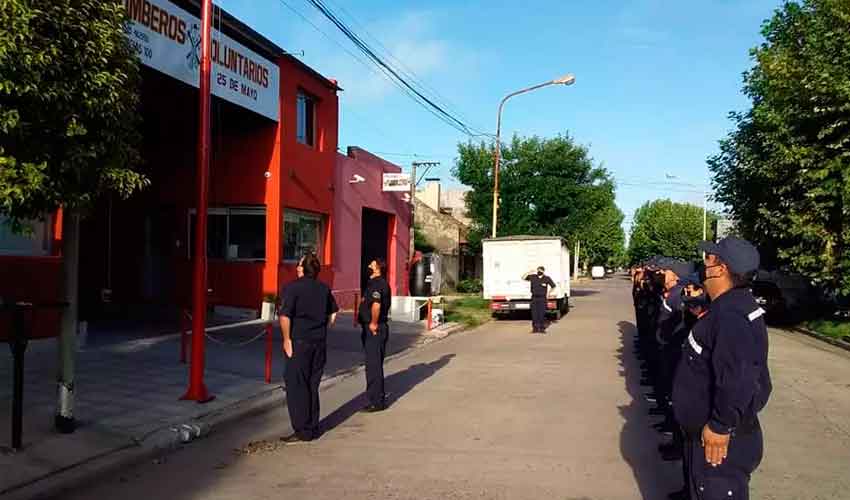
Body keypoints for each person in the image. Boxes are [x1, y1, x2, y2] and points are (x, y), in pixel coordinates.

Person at [673, 237, 772, 500]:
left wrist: (720, 425)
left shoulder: (731, 315)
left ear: (721, 268)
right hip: (711, 436)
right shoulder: (727, 307)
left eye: (709, 258)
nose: (703, 264)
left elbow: (739, 378)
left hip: (719, 443)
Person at [279, 252, 339, 444]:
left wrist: (287, 339)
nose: (297, 267)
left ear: (303, 268)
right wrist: (322, 328)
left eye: (299, 264)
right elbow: (333, 314)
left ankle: (302, 430)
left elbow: (285, 316)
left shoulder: (292, 288)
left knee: (297, 386)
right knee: (312, 385)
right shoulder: (324, 288)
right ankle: (313, 426)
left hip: (300, 342)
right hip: (319, 342)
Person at [358, 258, 392, 412]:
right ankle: (375, 397)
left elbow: (376, 305)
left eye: (372, 263)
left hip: (375, 329)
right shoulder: (374, 283)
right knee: (373, 365)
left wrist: (372, 323)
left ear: (377, 267)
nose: (369, 264)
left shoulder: (378, 284)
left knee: (373, 366)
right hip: (373, 328)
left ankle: (376, 401)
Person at [522, 266, 556, 333]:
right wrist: (529, 272)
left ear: (543, 271)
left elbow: (553, 286)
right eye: (538, 270)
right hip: (534, 298)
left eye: (540, 270)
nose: (539, 272)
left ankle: (542, 328)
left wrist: (548, 293)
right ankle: (535, 328)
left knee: (541, 314)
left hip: (542, 298)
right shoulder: (533, 277)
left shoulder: (547, 278)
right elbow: (523, 278)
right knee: (534, 314)